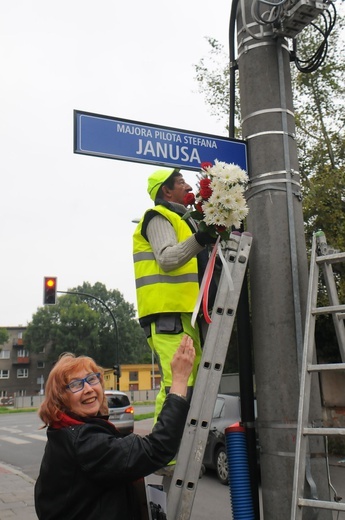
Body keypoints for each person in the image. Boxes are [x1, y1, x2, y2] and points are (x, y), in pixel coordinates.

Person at [34, 335, 195, 520]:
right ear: (61, 399)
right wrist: (180, 381)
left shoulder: (64, 432)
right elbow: (156, 449)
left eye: (92, 379)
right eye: (76, 384)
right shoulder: (83, 442)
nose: (88, 389)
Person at [133, 168, 216, 425]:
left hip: (184, 315)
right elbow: (168, 259)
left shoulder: (183, 219)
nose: (188, 186)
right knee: (177, 386)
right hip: (167, 315)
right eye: (181, 182)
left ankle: (173, 452)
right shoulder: (158, 217)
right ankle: (166, 456)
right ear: (166, 191)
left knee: (188, 383)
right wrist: (200, 239)